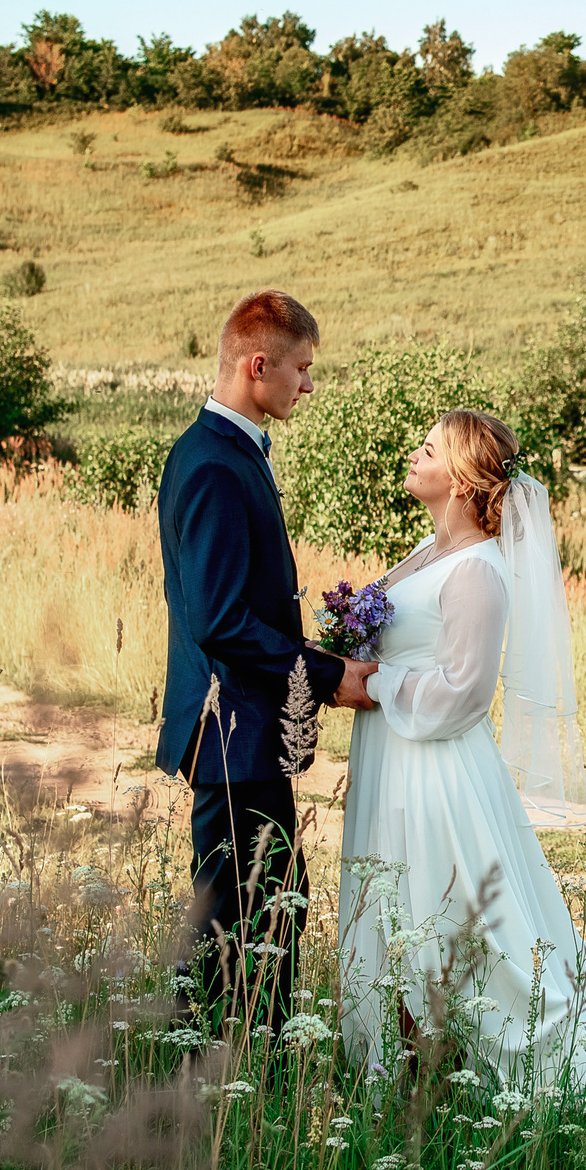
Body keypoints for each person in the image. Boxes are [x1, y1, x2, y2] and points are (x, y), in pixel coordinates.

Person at [337, 408, 586, 1092]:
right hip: (393, 756)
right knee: (393, 903)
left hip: (435, 770)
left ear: (466, 477)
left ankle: (452, 1057)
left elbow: (466, 690)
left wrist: (375, 681)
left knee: (443, 912)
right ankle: (407, 1063)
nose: (414, 455)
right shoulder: (428, 548)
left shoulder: (477, 571)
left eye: (429, 448)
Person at [156, 289, 378, 1024]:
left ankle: (232, 1069)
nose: (309, 384)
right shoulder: (217, 465)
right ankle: (223, 1075)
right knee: (243, 919)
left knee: (262, 909)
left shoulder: (220, 450)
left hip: (242, 731)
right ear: (259, 365)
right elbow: (220, 620)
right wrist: (324, 674)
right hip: (234, 734)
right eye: (302, 369)